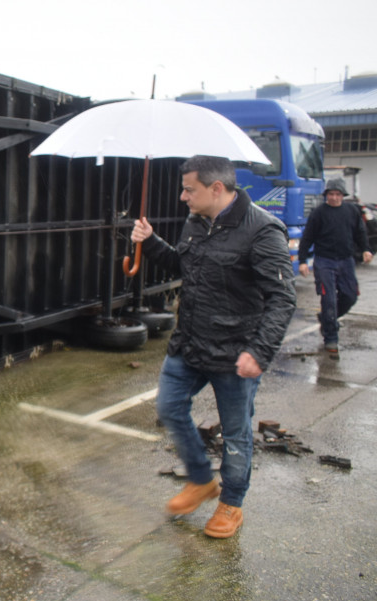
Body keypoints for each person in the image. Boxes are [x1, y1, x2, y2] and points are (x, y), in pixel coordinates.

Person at [131, 155, 296, 538]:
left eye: (189, 189)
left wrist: (259, 351)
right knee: (169, 407)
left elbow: (283, 298)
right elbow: (182, 266)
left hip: (235, 352)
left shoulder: (262, 230)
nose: (182, 196)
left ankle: (231, 505)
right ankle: (202, 481)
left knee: (236, 433)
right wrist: (151, 241)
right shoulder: (195, 222)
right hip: (190, 342)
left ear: (216, 188)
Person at [297, 177, 373, 359]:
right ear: (326, 196)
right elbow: (307, 237)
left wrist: (366, 249)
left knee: (350, 296)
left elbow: (360, 232)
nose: (334, 198)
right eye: (331, 194)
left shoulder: (352, 211)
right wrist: (302, 261)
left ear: (343, 196)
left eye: (338, 194)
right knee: (329, 300)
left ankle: (326, 320)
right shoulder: (318, 213)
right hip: (324, 261)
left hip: (346, 260)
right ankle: (331, 337)